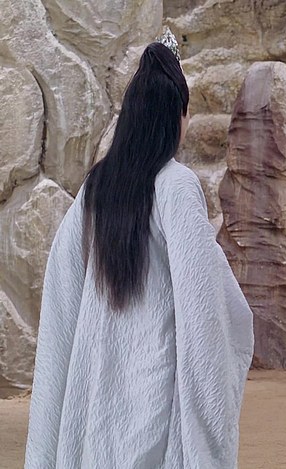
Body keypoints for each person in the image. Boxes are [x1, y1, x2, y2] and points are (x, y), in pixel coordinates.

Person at [25, 40, 254, 468]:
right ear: (175, 117)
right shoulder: (176, 184)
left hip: (98, 389)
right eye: (186, 112)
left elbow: (63, 287)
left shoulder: (98, 186)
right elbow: (202, 300)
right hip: (156, 382)